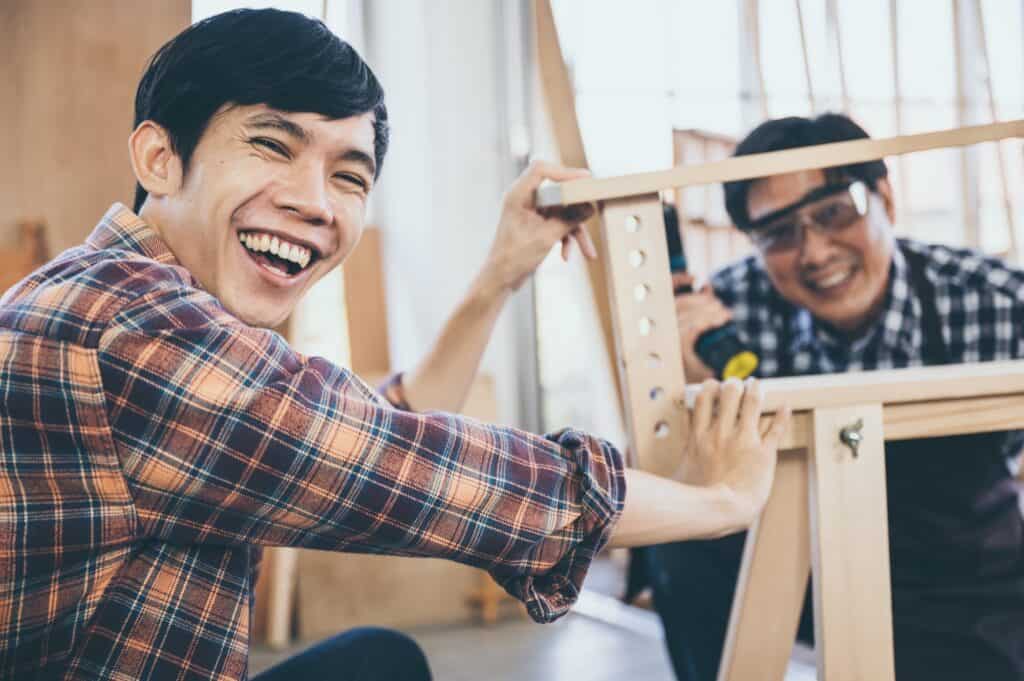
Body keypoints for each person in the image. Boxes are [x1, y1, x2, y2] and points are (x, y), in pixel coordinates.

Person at [0, 9, 790, 680]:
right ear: (159, 158)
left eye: (348, 175)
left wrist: (496, 280)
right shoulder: (138, 330)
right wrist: (719, 500)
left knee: (374, 661)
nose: (315, 202)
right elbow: (433, 476)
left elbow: (378, 428)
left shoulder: (111, 292)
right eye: (272, 146)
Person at [646, 112, 1024, 681]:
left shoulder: (994, 305)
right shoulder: (729, 311)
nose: (815, 253)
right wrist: (696, 384)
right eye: (778, 233)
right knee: (681, 541)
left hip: (963, 580)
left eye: (833, 213)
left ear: (885, 200)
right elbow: (664, 476)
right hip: (802, 566)